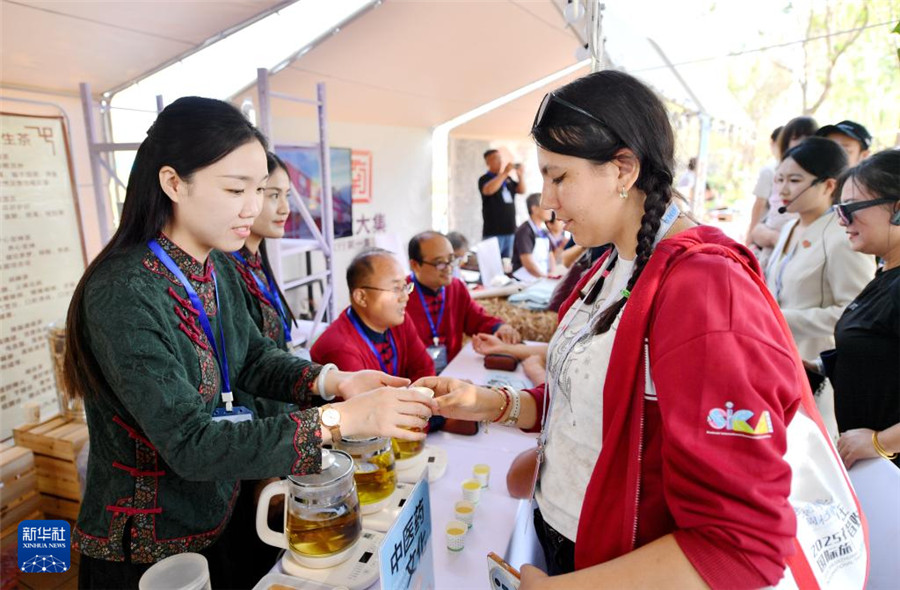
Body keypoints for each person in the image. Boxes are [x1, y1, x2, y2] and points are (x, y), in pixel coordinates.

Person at [417, 70, 806, 588]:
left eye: (559, 178)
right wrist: (490, 403)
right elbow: (597, 400)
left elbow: (741, 544)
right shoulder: (616, 261)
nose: (548, 203)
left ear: (623, 168)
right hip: (572, 536)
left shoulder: (705, 289)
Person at [63, 97, 437, 589]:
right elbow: (192, 444)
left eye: (259, 189)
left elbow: (252, 357)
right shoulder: (123, 292)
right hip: (150, 548)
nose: (253, 207)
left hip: (226, 511)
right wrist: (341, 419)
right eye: (236, 189)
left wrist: (334, 380)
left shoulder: (215, 264)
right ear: (174, 183)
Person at [765, 137, 876, 439]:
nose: (784, 189)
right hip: (776, 360)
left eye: (795, 180)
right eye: (780, 179)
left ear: (828, 185)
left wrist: (777, 317)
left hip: (817, 371)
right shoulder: (789, 227)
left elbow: (854, 312)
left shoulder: (842, 238)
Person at [816, 150, 899, 468]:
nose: (841, 220)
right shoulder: (886, 273)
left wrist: (881, 442)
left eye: (851, 209)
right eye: (839, 208)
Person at [311, 248, 434, 381]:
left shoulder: (397, 320)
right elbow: (365, 401)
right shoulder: (340, 348)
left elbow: (425, 369)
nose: (405, 297)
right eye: (396, 289)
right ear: (361, 297)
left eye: (405, 287)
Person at [405, 232, 521, 372]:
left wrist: (500, 328)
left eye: (452, 259)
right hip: (415, 379)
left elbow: (477, 318)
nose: (449, 268)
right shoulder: (401, 294)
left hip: (452, 371)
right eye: (439, 263)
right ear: (415, 265)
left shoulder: (456, 287)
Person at [749, 116, 818, 261]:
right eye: (796, 138)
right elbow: (759, 205)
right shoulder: (771, 170)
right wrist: (752, 236)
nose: (784, 189)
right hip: (772, 240)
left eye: (794, 180)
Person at [479, 149, 526, 258]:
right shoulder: (484, 179)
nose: (499, 161)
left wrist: (520, 175)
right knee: (491, 264)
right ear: (487, 162)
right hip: (493, 232)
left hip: (510, 230)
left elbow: (521, 190)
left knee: (508, 264)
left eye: (500, 158)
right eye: (495, 158)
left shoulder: (507, 179)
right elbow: (488, 190)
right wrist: (505, 173)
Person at [745, 126, 782, 246]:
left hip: (767, 231)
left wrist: (750, 235)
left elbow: (759, 203)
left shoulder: (769, 170)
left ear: (773, 143)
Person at [512, 193, 556, 281]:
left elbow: (550, 255)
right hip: (525, 280)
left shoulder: (544, 230)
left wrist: (552, 274)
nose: (550, 210)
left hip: (541, 278)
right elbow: (527, 263)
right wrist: (544, 277)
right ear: (534, 209)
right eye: (546, 207)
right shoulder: (524, 231)